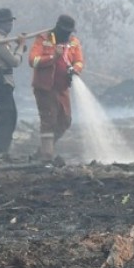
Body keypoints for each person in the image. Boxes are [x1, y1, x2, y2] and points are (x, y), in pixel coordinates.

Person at [29, 14, 84, 165]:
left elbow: (79, 60)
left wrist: (75, 69)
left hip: (62, 88)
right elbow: (33, 60)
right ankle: (47, 156)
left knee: (65, 120)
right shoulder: (44, 39)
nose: (67, 34)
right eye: (64, 31)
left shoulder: (73, 42)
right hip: (45, 88)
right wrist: (53, 57)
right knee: (49, 120)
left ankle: (44, 148)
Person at [0, 8, 25, 161]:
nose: (10, 24)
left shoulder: (2, 39)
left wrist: (17, 47)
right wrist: (21, 47)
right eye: (8, 21)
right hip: (1, 84)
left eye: (11, 21)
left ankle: (0, 150)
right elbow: (14, 62)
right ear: (1, 23)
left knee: (10, 116)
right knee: (6, 117)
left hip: (4, 84)